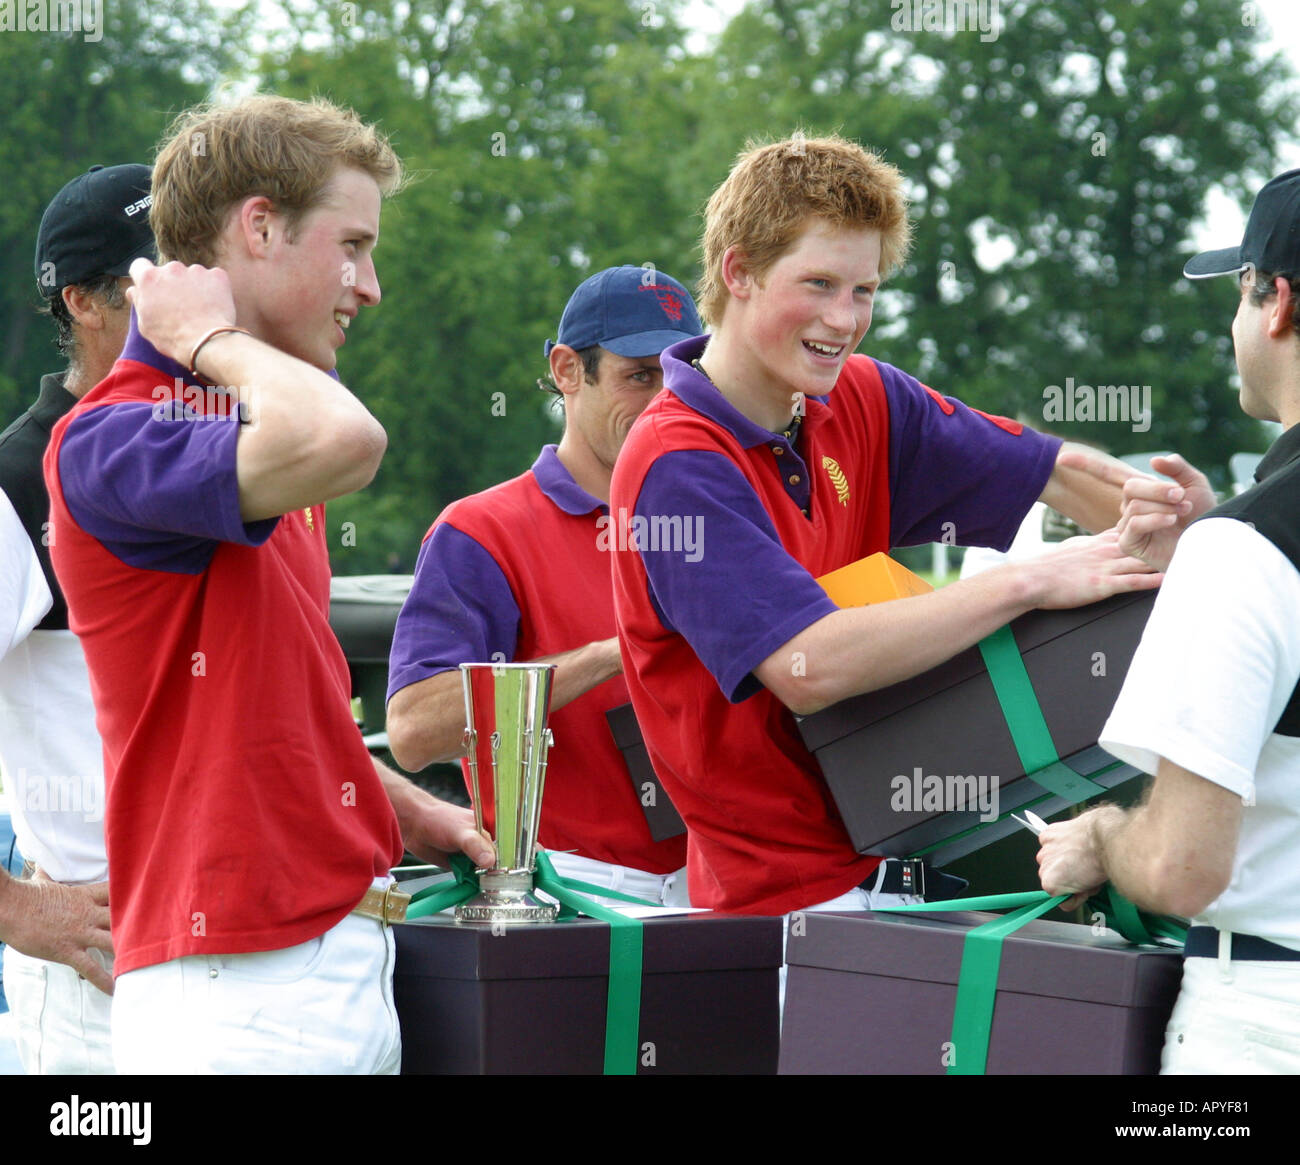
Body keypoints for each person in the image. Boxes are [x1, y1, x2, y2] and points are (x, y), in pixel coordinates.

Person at [42, 95, 493, 1075]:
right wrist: (208, 337)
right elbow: (348, 437)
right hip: (237, 989)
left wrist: (396, 802)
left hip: (313, 967)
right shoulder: (117, 434)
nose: (369, 286)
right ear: (258, 226)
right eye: (353, 246)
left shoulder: (264, 436)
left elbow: (248, 707)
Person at [609, 133, 1163, 919]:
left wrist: (1177, 528)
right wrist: (1031, 580)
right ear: (738, 272)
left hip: (913, 861)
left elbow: (1062, 471)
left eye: (864, 290)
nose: (845, 318)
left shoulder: (865, 397)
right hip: (780, 908)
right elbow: (810, 666)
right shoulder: (674, 463)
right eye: (820, 283)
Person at [1037, 169, 1300, 1075]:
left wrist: (1103, 838)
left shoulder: (1251, 552)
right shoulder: (1240, 550)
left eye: (1238, 289)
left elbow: (1185, 867)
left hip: (1265, 1020)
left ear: (1278, 303)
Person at [387, 266, 703, 904]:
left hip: (724, 892)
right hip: (571, 895)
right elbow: (415, 732)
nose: (662, 400)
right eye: (638, 375)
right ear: (565, 370)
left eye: (678, 376)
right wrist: (619, 652)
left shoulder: (722, 517)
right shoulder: (481, 530)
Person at [0, 163, 154, 1073]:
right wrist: (19, 911)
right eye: (152, 279)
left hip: (237, 963)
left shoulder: (227, 450)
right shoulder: (17, 481)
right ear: (82, 304)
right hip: (101, 982)